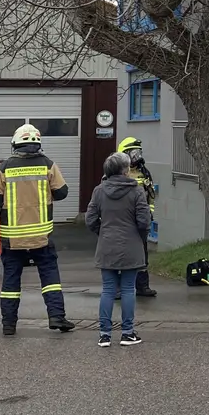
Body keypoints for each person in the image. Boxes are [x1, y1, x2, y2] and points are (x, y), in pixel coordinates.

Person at [0, 124, 74, 336]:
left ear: (15, 144)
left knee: (11, 281)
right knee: (49, 276)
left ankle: (8, 325)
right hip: (41, 236)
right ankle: (57, 317)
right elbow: (62, 193)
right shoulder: (48, 165)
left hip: (12, 238)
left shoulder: (4, 167)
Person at [85, 151, 150, 347]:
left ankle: (104, 334)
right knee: (129, 289)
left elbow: (90, 220)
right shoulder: (136, 191)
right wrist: (140, 237)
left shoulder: (99, 191)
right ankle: (127, 333)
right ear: (125, 170)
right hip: (131, 245)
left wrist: (103, 233)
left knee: (108, 290)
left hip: (107, 245)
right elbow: (144, 221)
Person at [118, 137, 159, 298]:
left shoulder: (144, 172)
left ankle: (143, 286)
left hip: (140, 221)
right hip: (122, 221)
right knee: (121, 255)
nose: (137, 156)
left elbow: (150, 196)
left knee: (142, 254)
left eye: (138, 152)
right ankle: (118, 289)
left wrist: (149, 214)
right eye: (133, 152)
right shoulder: (116, 172)